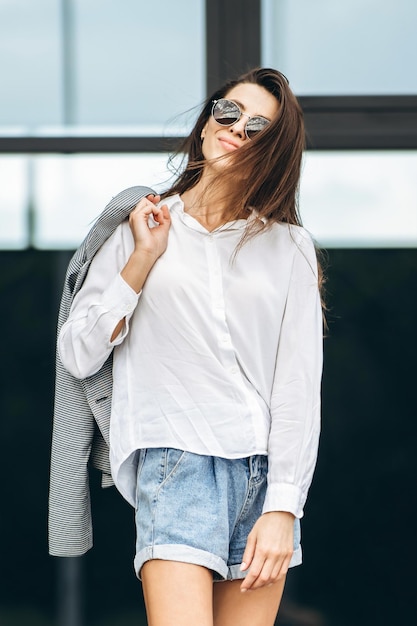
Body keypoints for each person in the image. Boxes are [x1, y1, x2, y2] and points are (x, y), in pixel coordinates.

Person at [56, 67, 323, 626]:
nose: (235, 129)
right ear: (206, 122)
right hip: (175, 463)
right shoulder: (141, 225)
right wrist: (143, 258)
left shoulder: (290, 247)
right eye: (228, 112)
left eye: (257, 127)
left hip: (263, 473)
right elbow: (79, 353)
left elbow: (297, 388)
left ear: (271, 151)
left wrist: (283, 506)